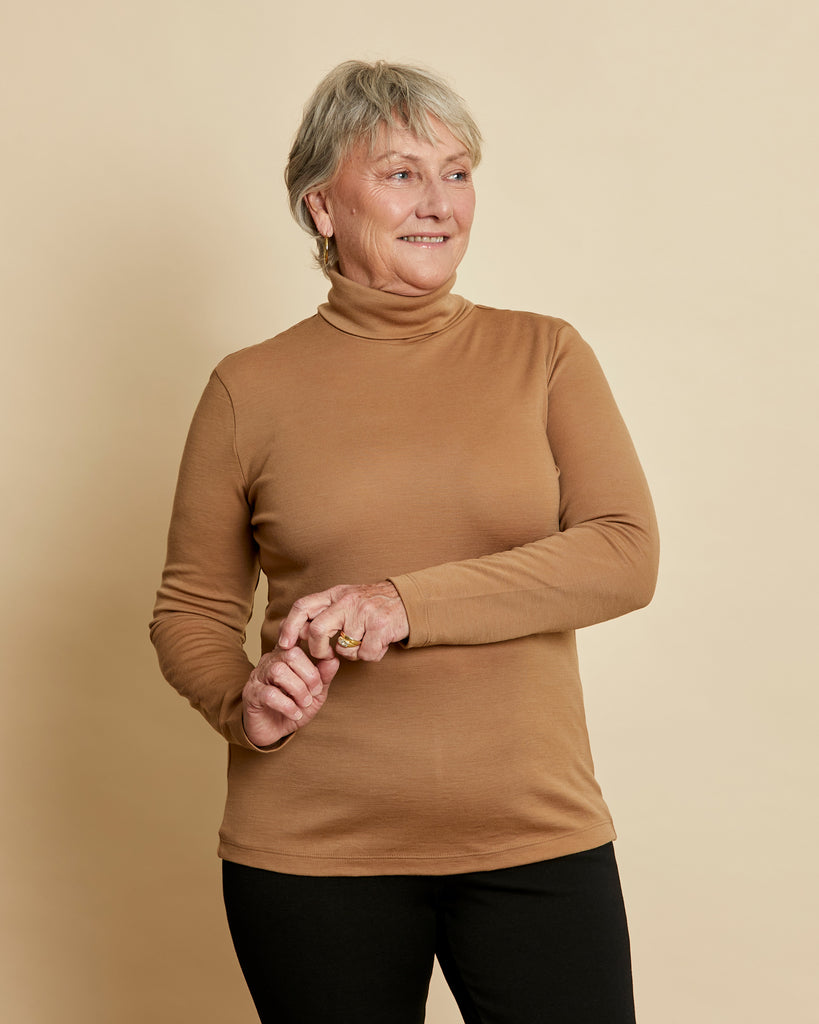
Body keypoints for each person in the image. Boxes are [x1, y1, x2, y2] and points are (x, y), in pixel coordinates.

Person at [150, 59, 659, 1024]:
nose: (438, 204)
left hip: (534, 840)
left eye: (457, 173)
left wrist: (401, 604)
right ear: (321, 208)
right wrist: (237, 699)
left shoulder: (543, 353)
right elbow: (192, 608)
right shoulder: (245, 388)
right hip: (310, 854)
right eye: (399, 173)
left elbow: (623, 550)